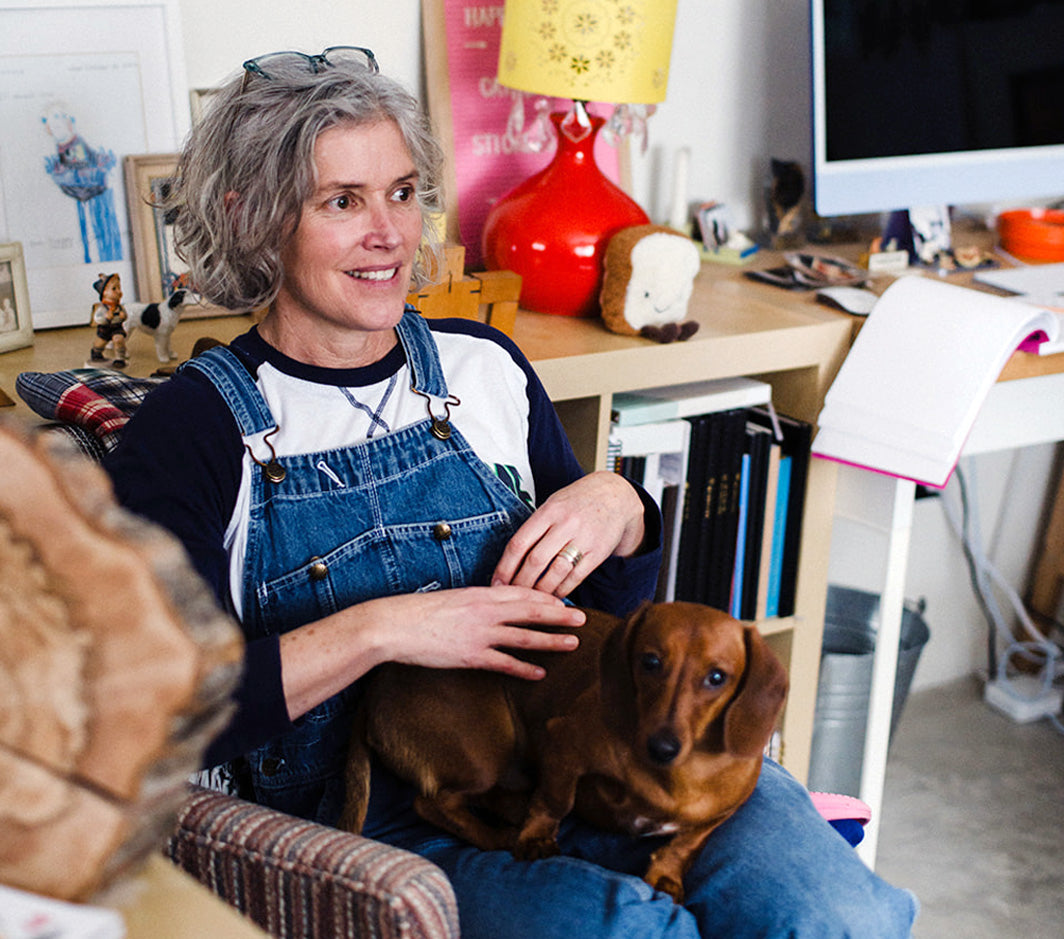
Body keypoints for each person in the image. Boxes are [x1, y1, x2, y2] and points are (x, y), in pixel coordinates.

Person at [105, 47, 917, 937]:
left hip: (585, 757)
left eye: (404, 192)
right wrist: (386, 628)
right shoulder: (194, 430)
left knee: (839, 910)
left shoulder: (482, 366)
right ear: (253, 218)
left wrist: (624, 513)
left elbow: (604, 630)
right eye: (343, 201)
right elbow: (152, 715)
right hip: (383, 819)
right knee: (629, 929)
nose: (390, 233)